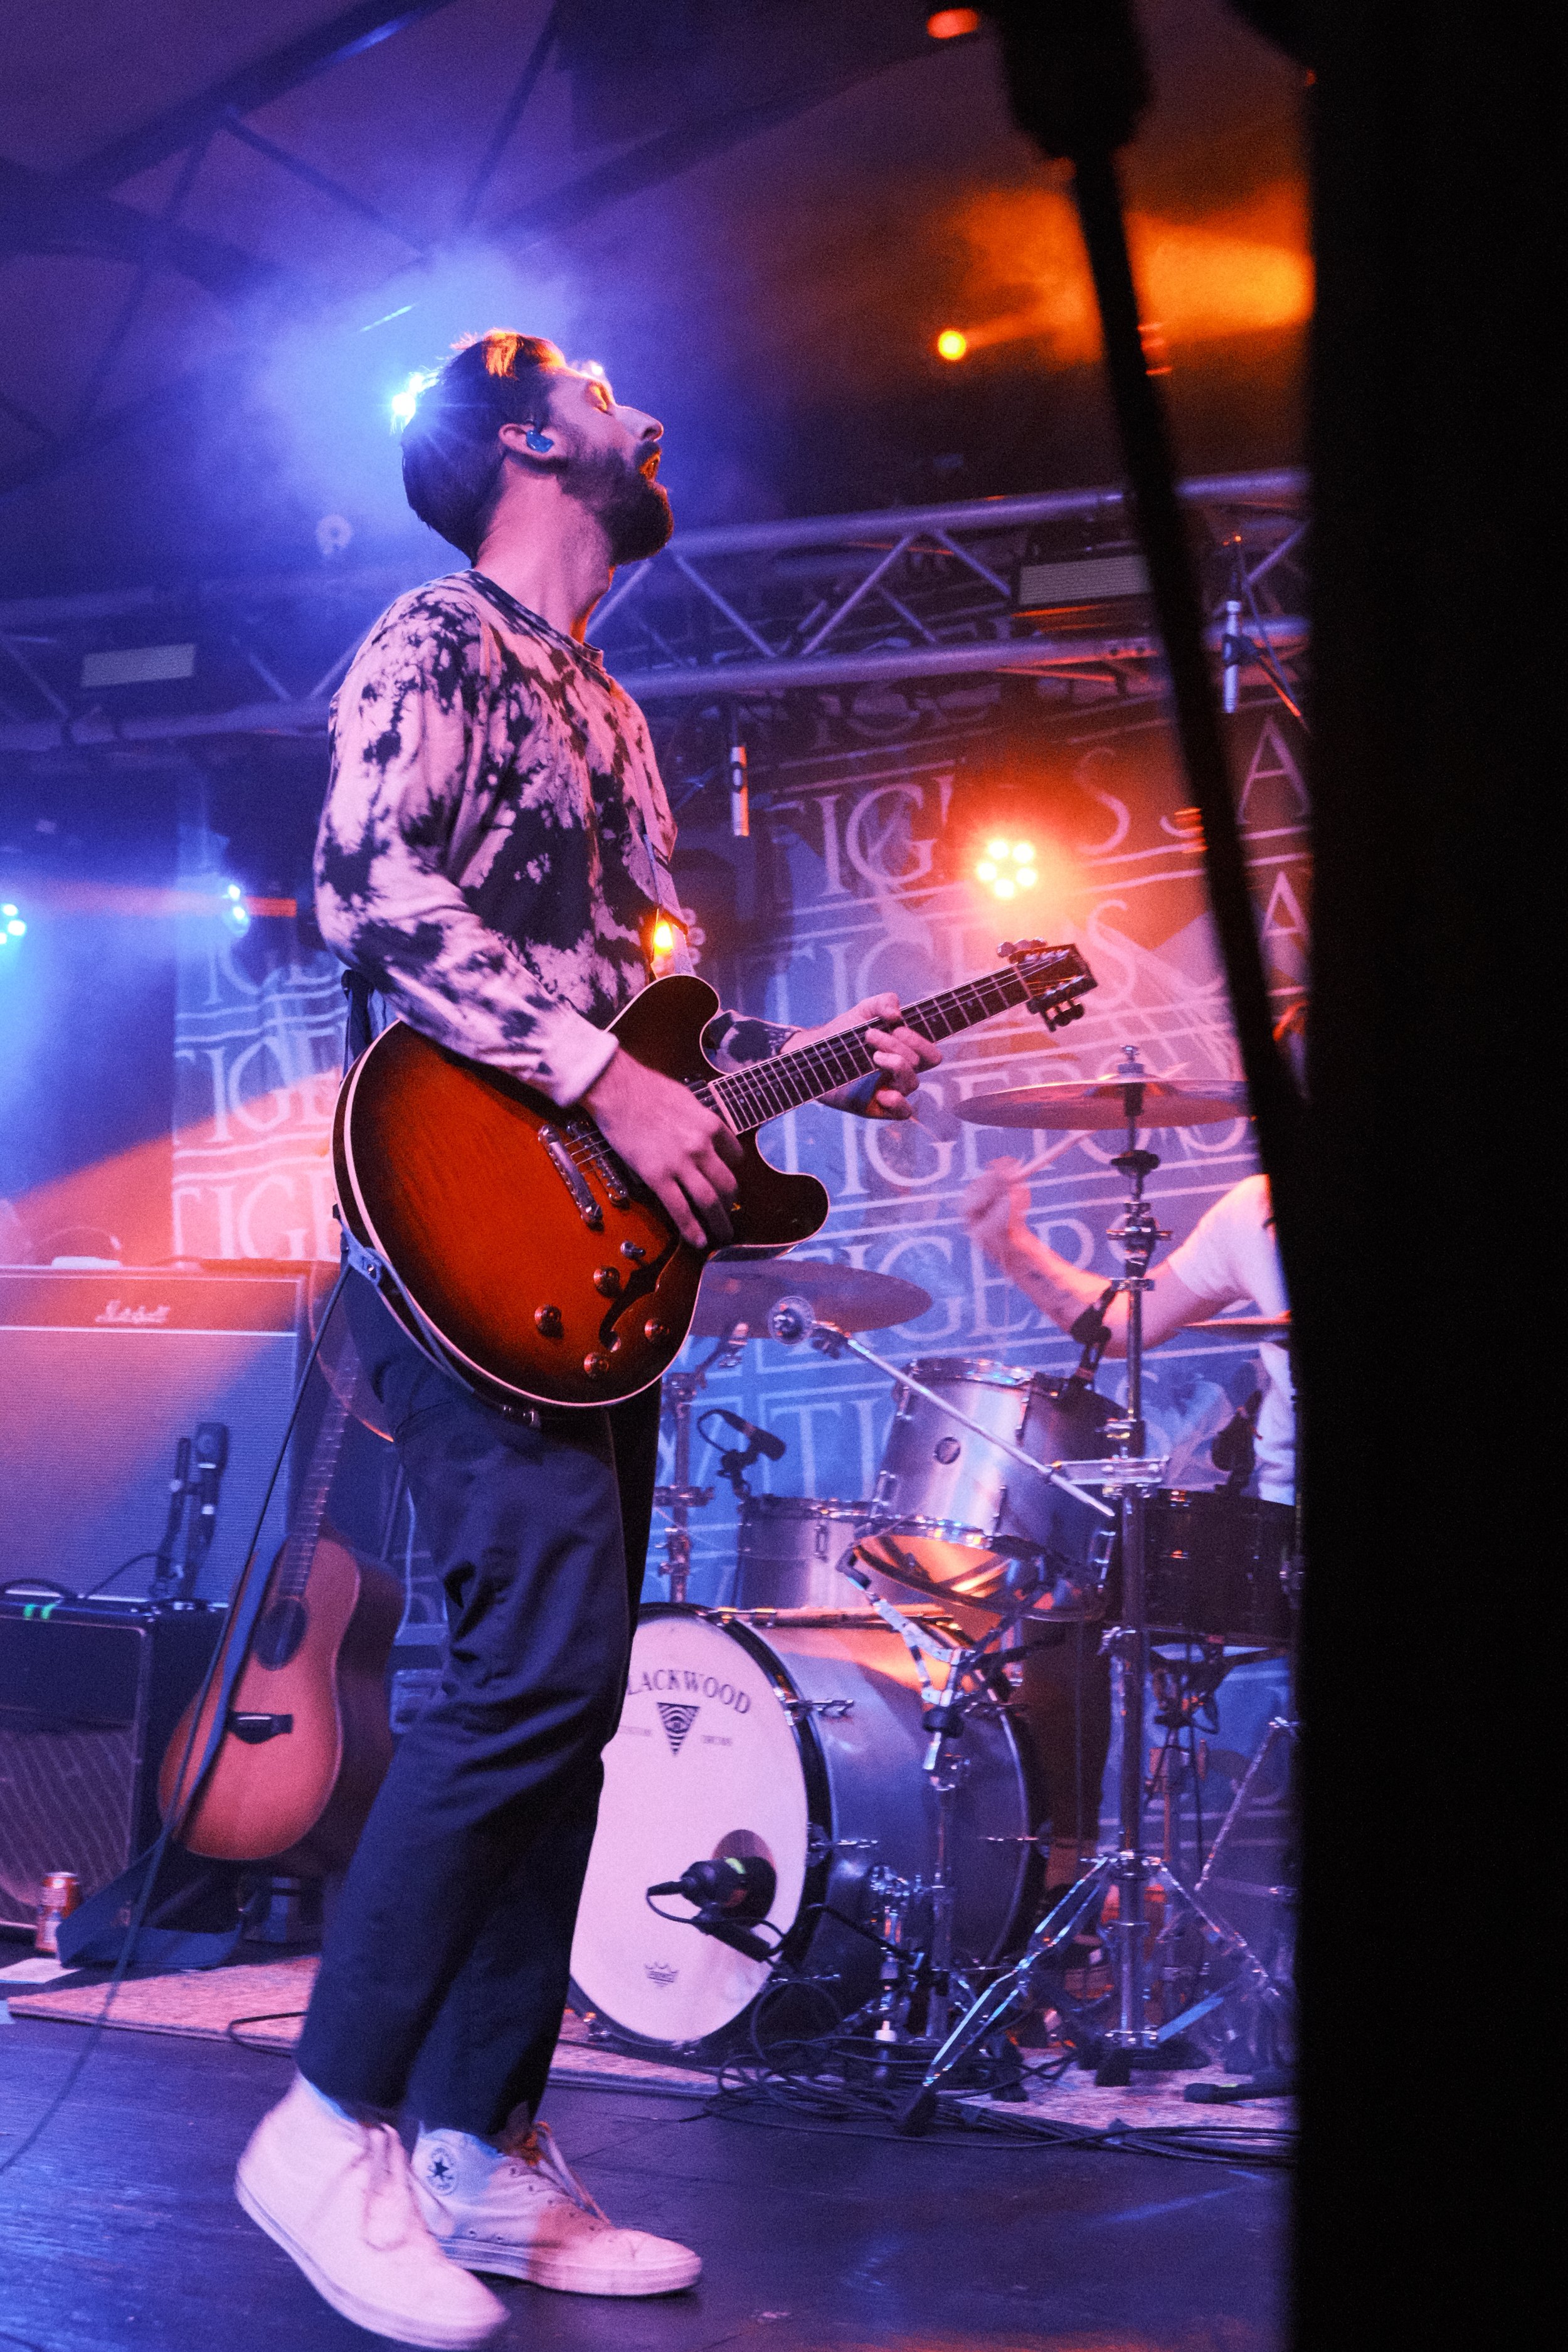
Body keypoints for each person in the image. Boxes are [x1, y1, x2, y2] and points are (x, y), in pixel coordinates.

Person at [234, 332, 940, 2351]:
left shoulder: (610, 706)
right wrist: (592, 1077)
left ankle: (478, 2136)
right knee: (523, 1680)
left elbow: (661, 1023)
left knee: (566, 1702)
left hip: (595, 1274)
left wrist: (803, 1070)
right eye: (611, 383)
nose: (649, 407)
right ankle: (327, 2117)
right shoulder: (432, 642)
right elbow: (363, 881)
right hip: (459, 1227)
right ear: (531, 434)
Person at [963, 1062, 1298, 1892]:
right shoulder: (1253, 1210)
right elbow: (1120, 1326)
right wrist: (1013, 1244)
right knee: (1066, 1595)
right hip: (1285, 1532)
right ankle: (1062, 1886)